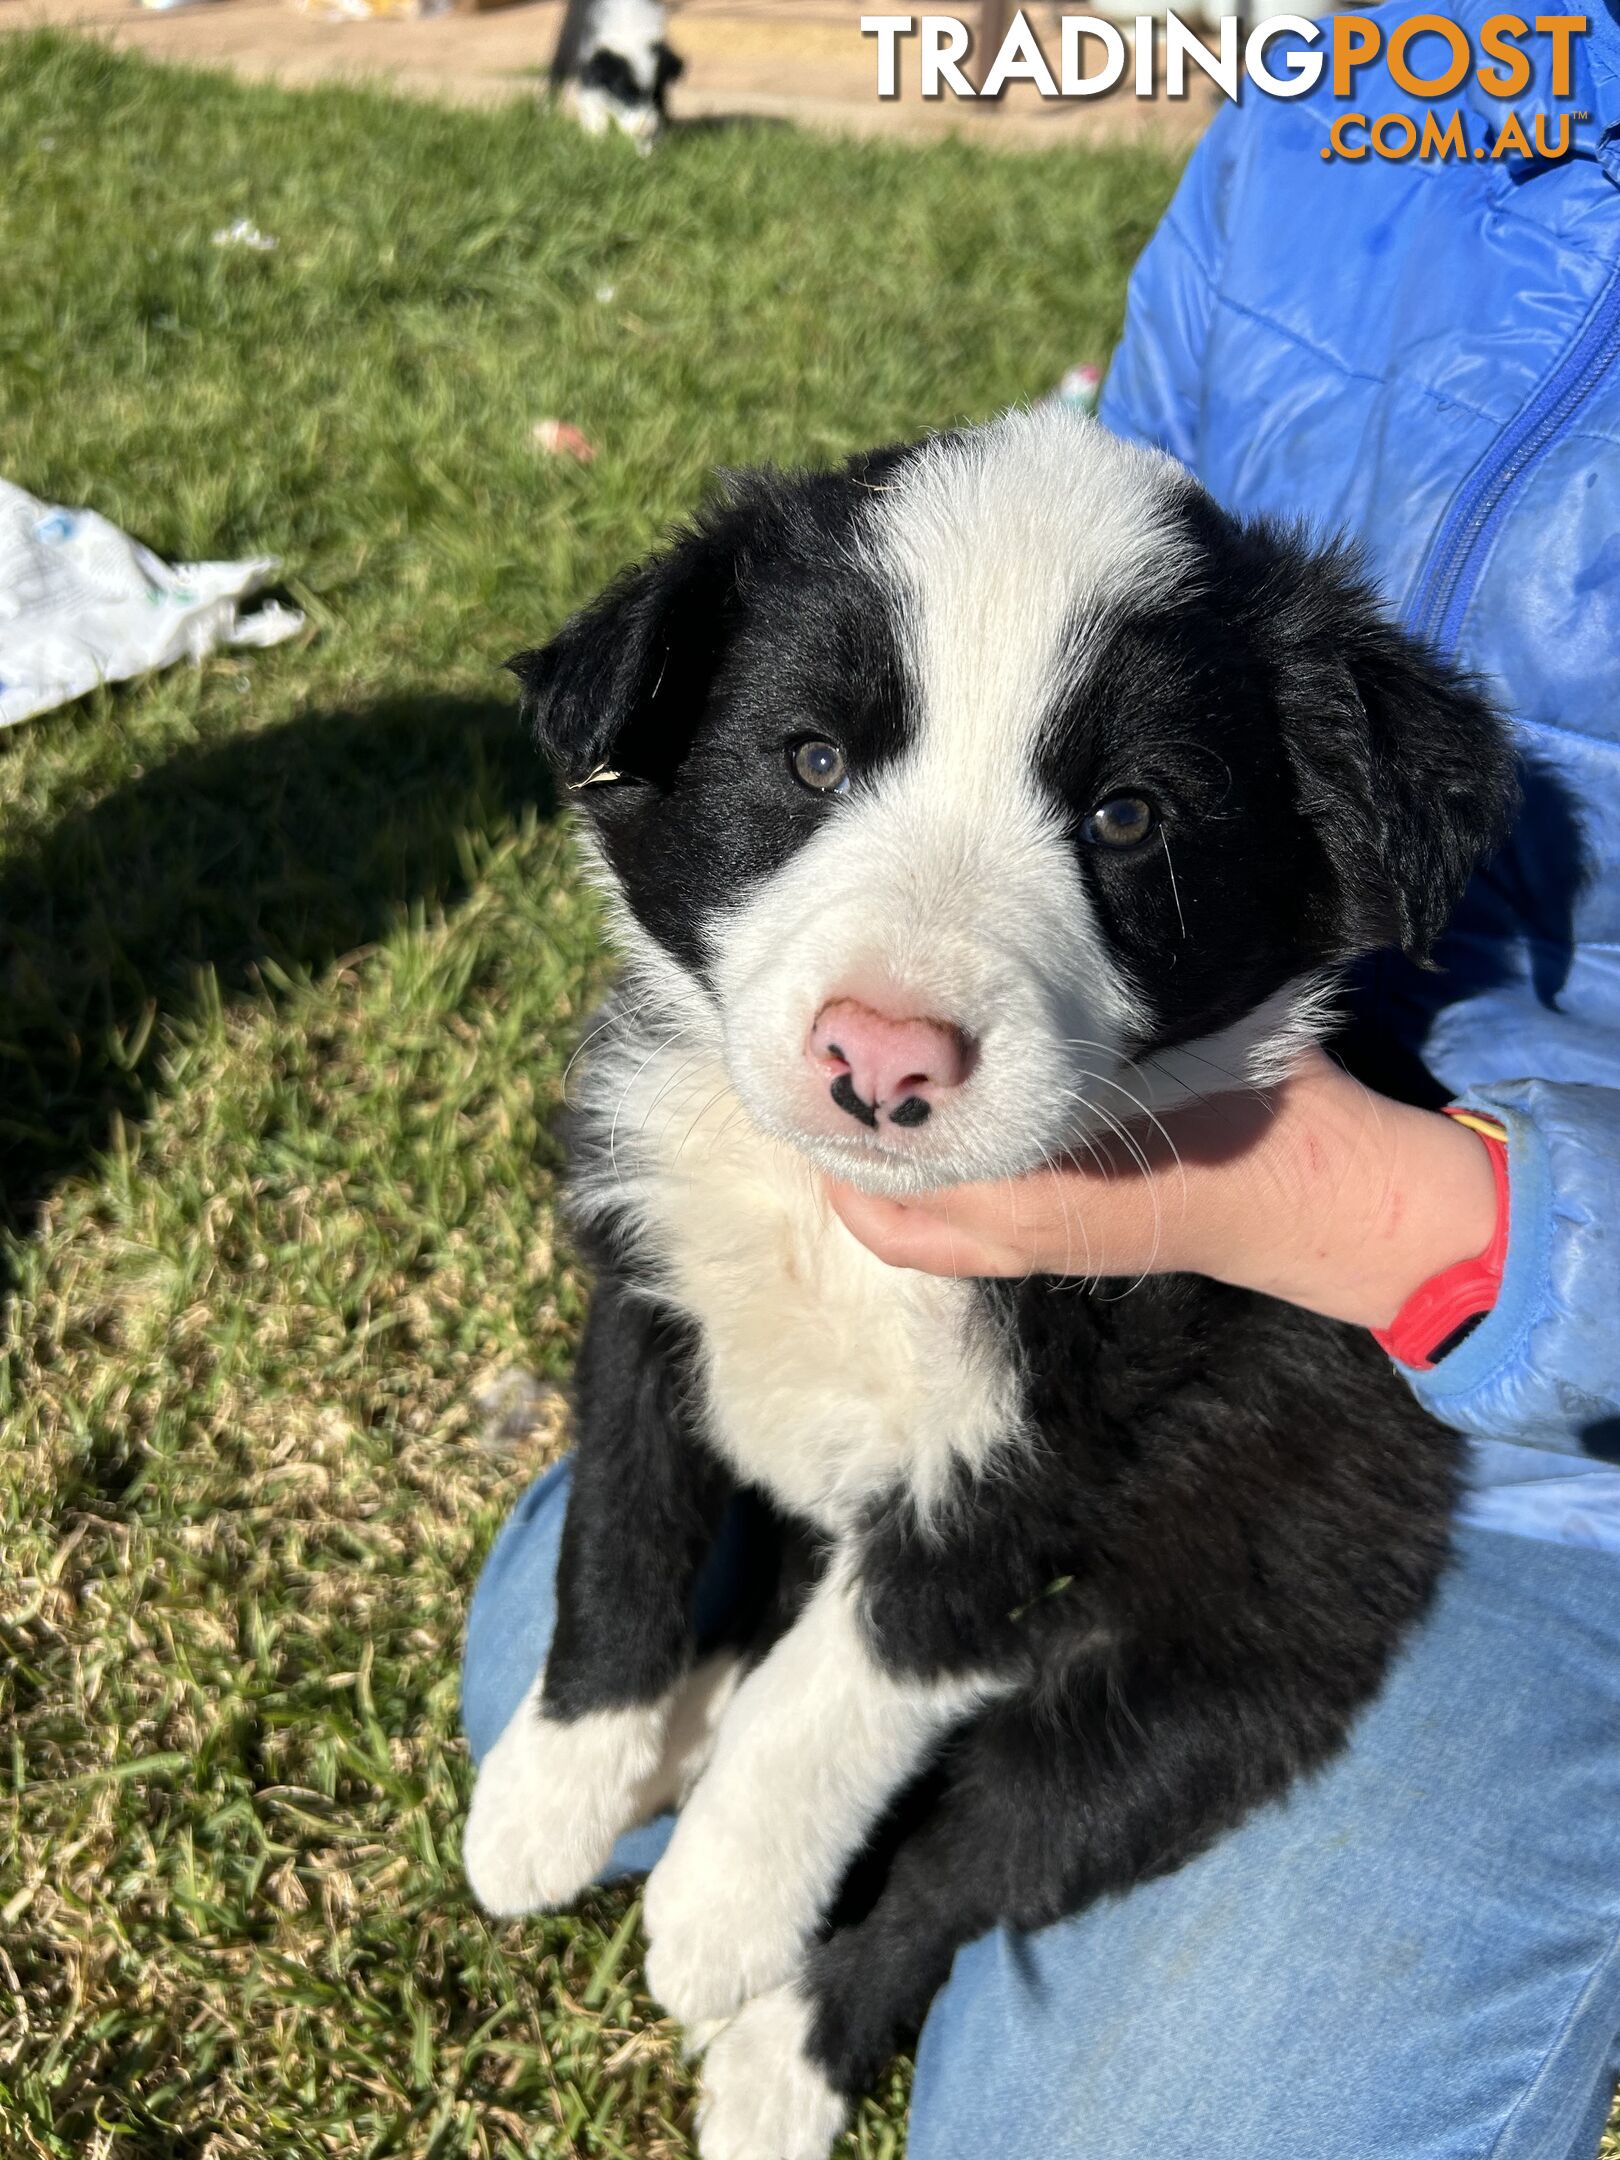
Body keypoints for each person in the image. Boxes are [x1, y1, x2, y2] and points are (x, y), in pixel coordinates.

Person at [462, 6, 1620, 2151]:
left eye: (1116, 827)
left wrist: (1391, 1215)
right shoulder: (1387, 63)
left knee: (1105, 2092)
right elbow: (1113, 509)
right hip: (1163, 1186)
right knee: (542, 1692)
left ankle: (872, 1972)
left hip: (1542, 1458)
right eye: (815, 766)